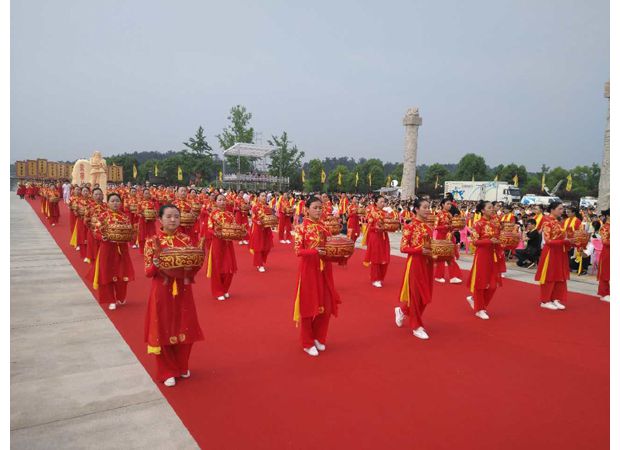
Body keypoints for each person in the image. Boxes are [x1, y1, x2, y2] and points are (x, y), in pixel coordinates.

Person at [144, 204, 204, 387]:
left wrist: (198, 260)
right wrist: (156, 262)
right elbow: (148, 272)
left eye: (176, 216)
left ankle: (182, 365)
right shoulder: (152, 241)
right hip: (162, 291)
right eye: (169, 216)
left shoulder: (186, 239)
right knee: (163, 328)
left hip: (184, 290)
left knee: (185, 326)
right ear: (160, 219)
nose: (173, 220)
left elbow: (194, 267)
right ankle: (167, 370)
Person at [292, 196, 341, 356]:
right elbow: (298, 250)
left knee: (326, 306)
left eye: (320, 208)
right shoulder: (301, 228)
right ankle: (307, 342)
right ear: (307, 209)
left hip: (325, 270)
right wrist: (314, 251)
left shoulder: (324, 227)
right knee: (308, 307)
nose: (319, 211)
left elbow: (330, 247)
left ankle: (319, 337)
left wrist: (340, 255)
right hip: (309, 270)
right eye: (315, 207)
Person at [394, 198, 434, 339]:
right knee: (416, 295)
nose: (428, 210)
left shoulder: (429, 227)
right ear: (416, 209)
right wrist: (419, 250)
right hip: (415, 264)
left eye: (429, 207)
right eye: (425, 207)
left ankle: (402, 310)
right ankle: (416, 326)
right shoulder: (409, 226)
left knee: (425, 295)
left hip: (428, 264)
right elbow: (403, 248)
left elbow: (431, 246)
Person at [89, 193, 136, 310]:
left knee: (122, 273)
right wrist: (102, 237)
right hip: (107, 249)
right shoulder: (103, 216)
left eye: (117, 201)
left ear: (121, 203)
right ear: (108, 203)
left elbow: (130, 232)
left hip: (122, 250)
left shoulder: (125, 217)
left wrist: (132, 235)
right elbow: (96, 231)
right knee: (106, 274)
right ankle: (110, 299)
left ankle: (121, 296)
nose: (115, 203)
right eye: (112, 201)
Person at [465, 200, 503, 320]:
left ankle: (476, 302)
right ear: (482, 210)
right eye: (489, 207)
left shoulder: (495, 223)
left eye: (492, 207)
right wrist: (489, 241)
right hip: (482, 256)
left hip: (493, 255)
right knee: (481, 283)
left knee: (493, 285)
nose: (492, 209)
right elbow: (475, 241)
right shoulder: (478, 224)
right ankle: (479, 309)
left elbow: (499, 237)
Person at [535, 201, 575, 311]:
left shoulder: (558, 222)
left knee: (559, 275)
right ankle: (545, 300)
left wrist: (570, 240)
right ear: (552, 209)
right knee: (549, 275)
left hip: (560, 251)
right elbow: (548, 241)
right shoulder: (546, 221)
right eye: (560, 209)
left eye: (562, 209)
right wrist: (565, 241)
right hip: (551, 252)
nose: (562, 211)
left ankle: (555, 298)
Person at [206, 194, 238, 301]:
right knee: (217, 268)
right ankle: (217, 291)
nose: (222, 202)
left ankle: (225, 289)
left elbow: (235, 227)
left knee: (229, 267)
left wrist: (236, 232)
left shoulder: (230, 214)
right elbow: (209, 228)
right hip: (217, 243)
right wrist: (216, 233)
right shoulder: (213, 214)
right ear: (215, 202)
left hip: (228, 244)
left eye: (224, 200)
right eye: (220, 200)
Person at [433, 198, 463, 284]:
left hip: (449, 237)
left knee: (451, 256)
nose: (449, 205)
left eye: (450, 204)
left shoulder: (450, 214)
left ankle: (453, 276)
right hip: (441, 237)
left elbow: (452, 225)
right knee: (441, 258)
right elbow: (435, 227)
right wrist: (444, 227)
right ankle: (439, 276)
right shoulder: (439, 215)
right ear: (443, 204)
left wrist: (455, 228)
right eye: (448, 204)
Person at [364, 196, 391, 288]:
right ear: (376, 202)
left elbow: (390, 224)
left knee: (385, 257)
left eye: (384, 202)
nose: (383, 203)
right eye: (381, 202)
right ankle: (375, 278)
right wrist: (376, 228)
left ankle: (381, 277)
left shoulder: (386, 213)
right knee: (376, 258)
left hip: (384, 237)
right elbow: (369, 227)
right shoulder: (372, 213)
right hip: (375, 237)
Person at [249, 191, 274, 272]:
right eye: (262, 196)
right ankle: (259, 264)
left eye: (265, 196)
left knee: (267, 247)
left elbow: (271, 217)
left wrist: (272, 222)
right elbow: (253, 218)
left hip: (267, 229)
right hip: (258, 229)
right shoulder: (255, 207)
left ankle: (261, 260)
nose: (264, 197)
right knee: (258, 247)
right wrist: (257, 222)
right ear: (259, 197)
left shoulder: (267, 207)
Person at [597, 209, 610, 301]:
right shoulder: (605, 227)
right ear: (608, 216)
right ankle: (604, 293)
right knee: (606, 272)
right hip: (608, 252)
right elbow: (605, 241)